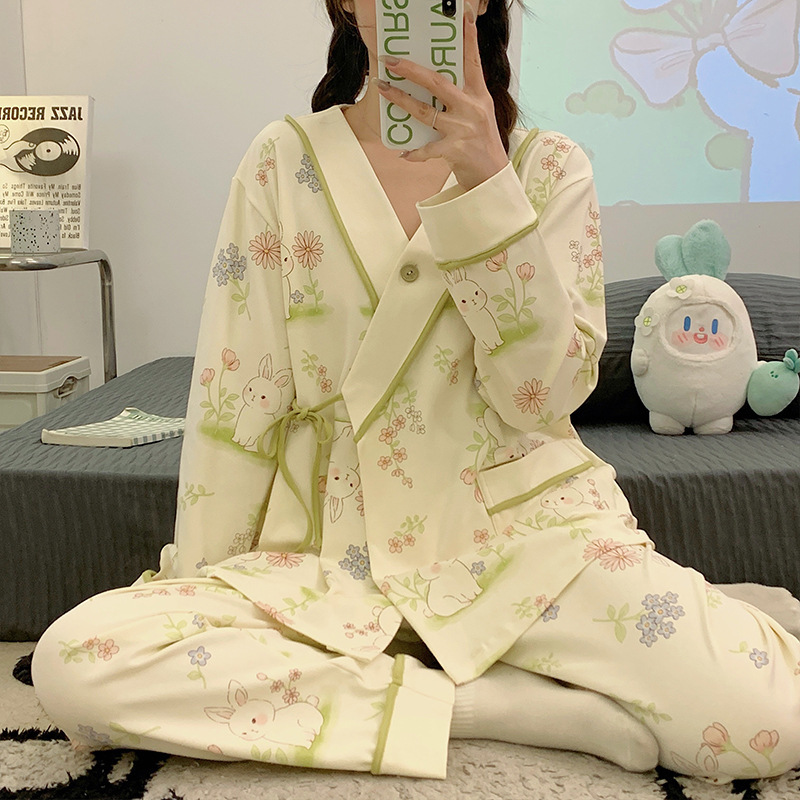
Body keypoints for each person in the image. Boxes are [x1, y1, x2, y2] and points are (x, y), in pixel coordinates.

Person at [32, 0, 800, 782]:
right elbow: (238, 398)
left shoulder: (547, 167)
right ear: (345, 4)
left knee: (766, 720)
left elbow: (541, 398)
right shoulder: (283, 160)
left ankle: (677, 622)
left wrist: (488, 186)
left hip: (520, 541)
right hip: (325, 554)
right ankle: (503, 707)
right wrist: (202, 582)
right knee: (77, 665)